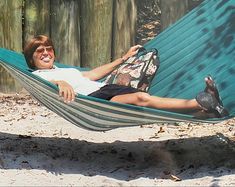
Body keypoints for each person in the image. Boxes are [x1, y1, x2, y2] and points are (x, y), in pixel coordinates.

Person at [23, 35, 228, 118]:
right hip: (94, 101)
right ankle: (202, 101)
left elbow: (92, 74)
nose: (46, 53)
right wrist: (60, 82)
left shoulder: (63, 69)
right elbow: (46, 83)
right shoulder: (39, 74)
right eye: (39, 51)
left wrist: (123, 58)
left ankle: (207, 107)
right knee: (142, 99)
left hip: (104, 89)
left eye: (48, 49)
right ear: (32, 59)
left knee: (144, 97)